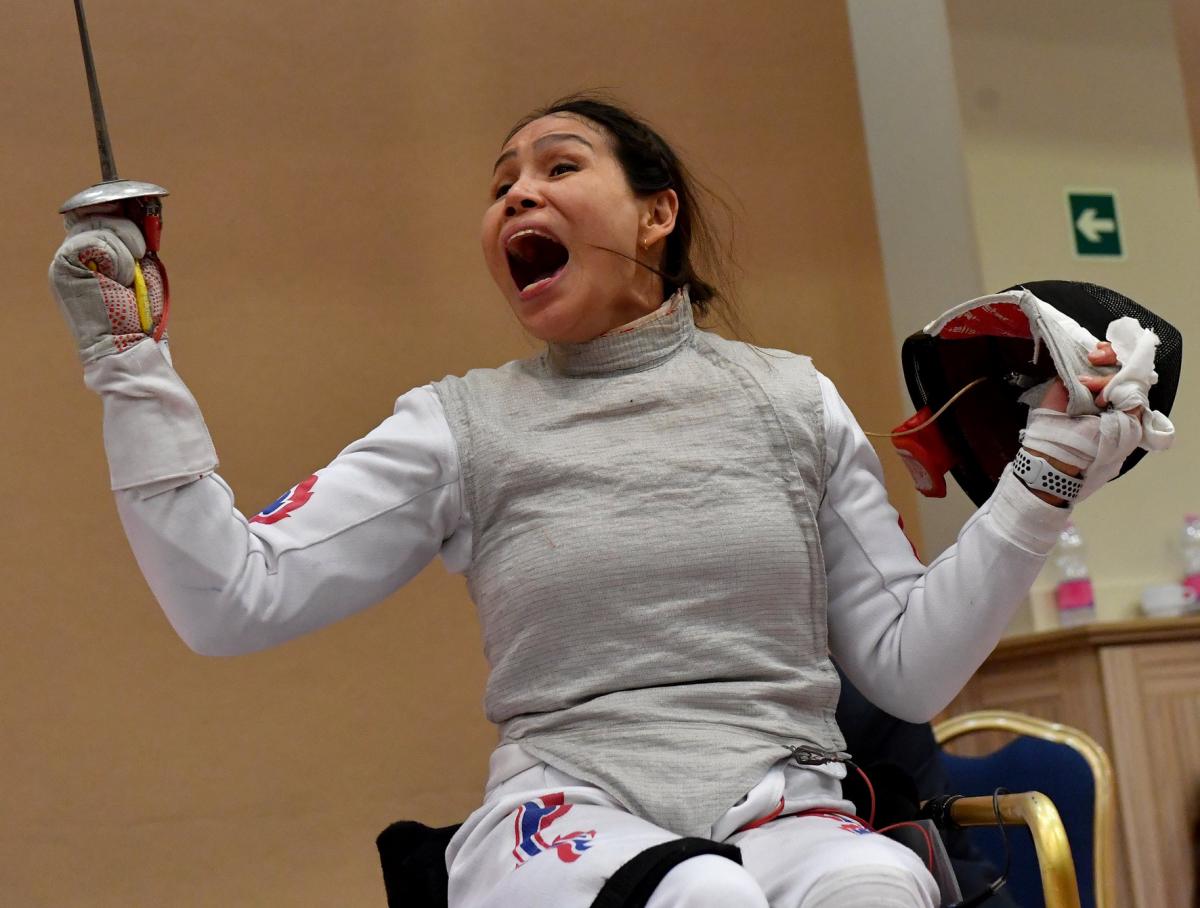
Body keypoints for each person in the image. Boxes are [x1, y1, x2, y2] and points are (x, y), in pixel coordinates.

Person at [49, 94, 1147, 907]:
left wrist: (1042, 479)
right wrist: (130, 362)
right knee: (698, 897)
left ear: (658, 212)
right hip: (566, 817)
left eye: (558, 165)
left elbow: (905, 664)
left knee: (873, 887)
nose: (517, 193)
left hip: (782, 804)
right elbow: (232, 597)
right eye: (500, 186)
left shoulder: (789, 398)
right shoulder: (458, 425)